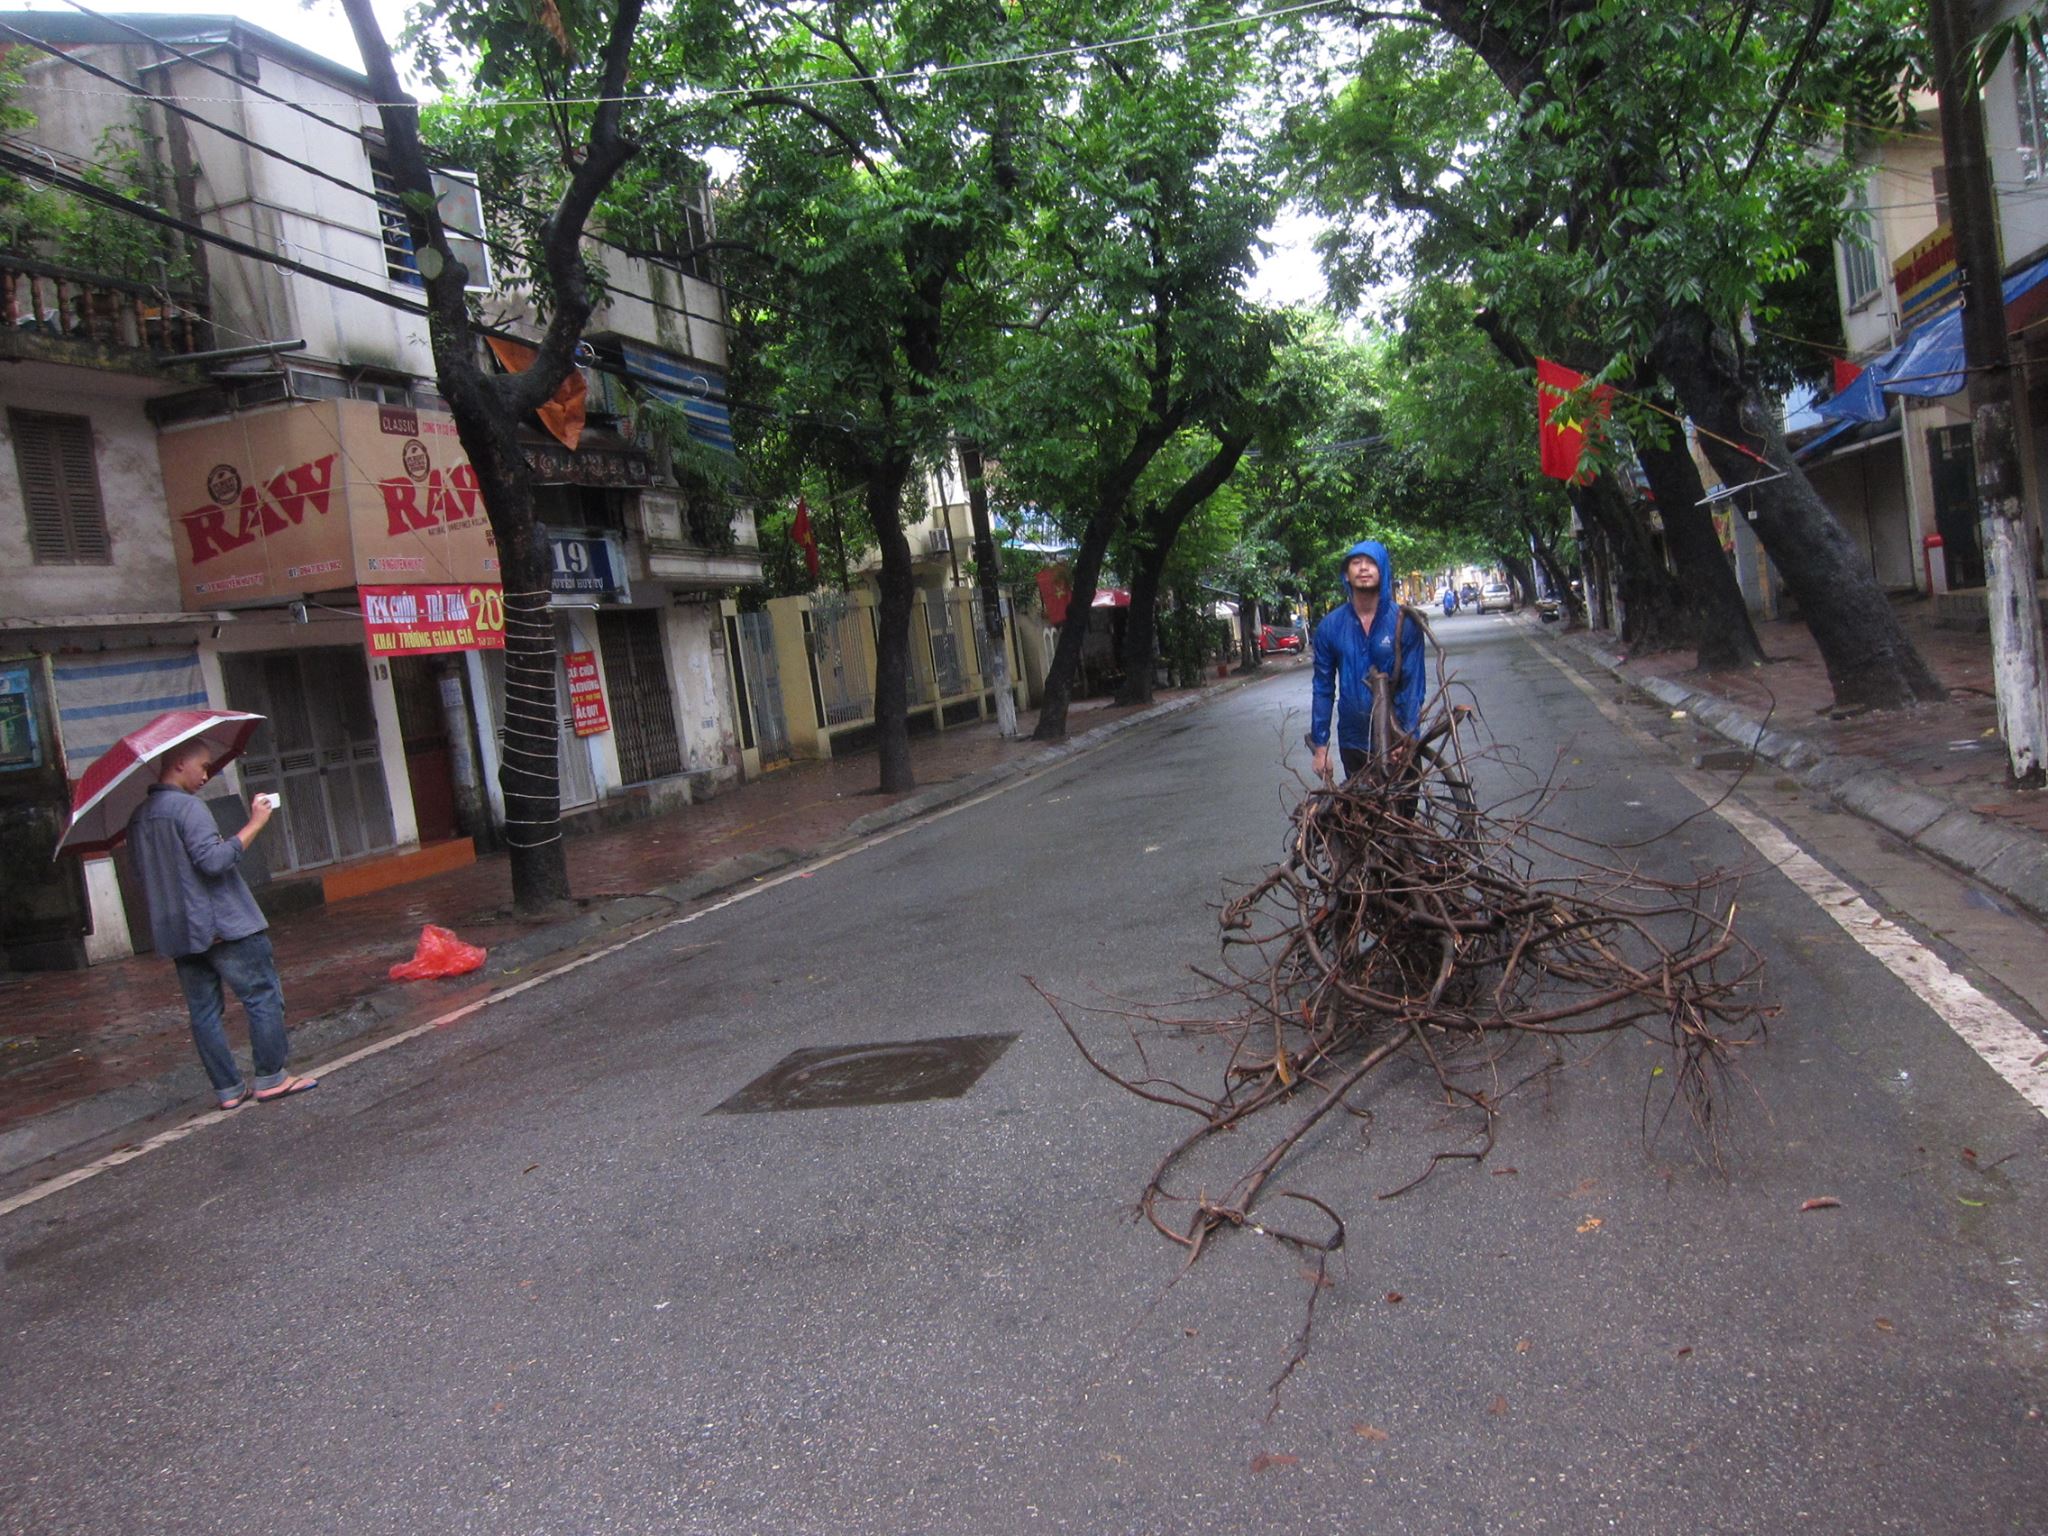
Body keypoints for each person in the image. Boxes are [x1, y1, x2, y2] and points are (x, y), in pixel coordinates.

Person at [127, 740, 316, 1109]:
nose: (206, 774)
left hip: (178, 931)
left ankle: (228, 1089)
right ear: (180, 763)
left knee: (203, 1012)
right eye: (203, 766)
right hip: (222, 924)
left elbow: (141, 876)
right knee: (261, 995)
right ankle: (272, 1077)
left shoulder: (138, 818)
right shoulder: (187, 808)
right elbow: (214, 862)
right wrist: (255, 824)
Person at [1308, 538, 1427, 781]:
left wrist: (1408, 737)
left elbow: (1414, 685)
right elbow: (1323, 688)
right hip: (1354, 741)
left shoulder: (1404, 622)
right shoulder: (1330, 627)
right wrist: (1321, 747)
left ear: (1383, 570)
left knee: (1403, 817)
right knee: (1361, 816)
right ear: (1346, 575)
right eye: (1356, 563)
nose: (1363, 568)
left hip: (1398, 743)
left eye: (1371, 562)